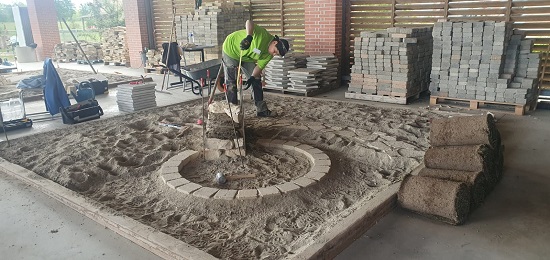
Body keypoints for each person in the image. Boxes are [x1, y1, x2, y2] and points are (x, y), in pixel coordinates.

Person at [222, 20, 290, 117]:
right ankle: (232, 110)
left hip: (247, 57)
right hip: (231, 49)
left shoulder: (269, 55)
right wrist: (249, 37)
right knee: (232, 82)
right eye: (275, 51)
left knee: (257, 80)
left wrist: (252, 77)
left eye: (277, 54)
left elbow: (259, 67)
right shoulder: (263, 35)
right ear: (274, 42)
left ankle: (261, 110)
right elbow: (249, 22)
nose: (274, 54)